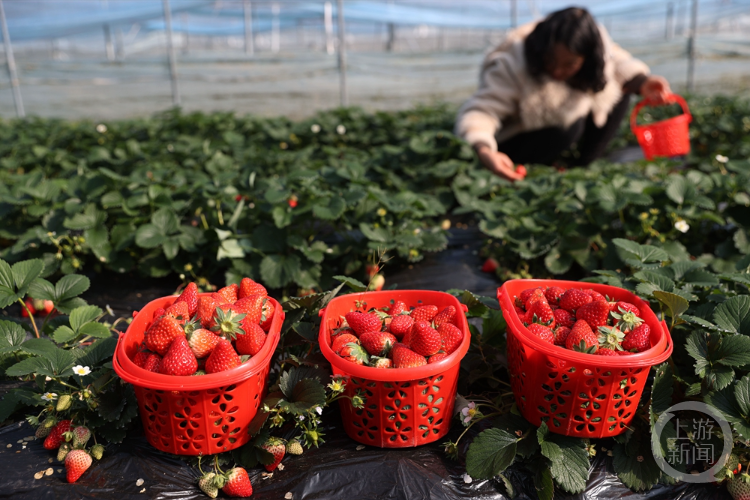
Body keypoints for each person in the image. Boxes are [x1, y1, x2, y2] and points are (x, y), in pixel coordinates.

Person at [455, 7, 672, 181]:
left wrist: (643, 82)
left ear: (587, 59)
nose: (558, 71)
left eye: (570, 64)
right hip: (516, 139)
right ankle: (535, 173)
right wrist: (484, 149)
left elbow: (617, 62)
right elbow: (482, 110)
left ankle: (582, 167)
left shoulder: (596, 46)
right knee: (568, 128)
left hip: (561, 128)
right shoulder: (514, 60)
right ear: (540, 51)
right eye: (551, 61)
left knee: (618, 92)